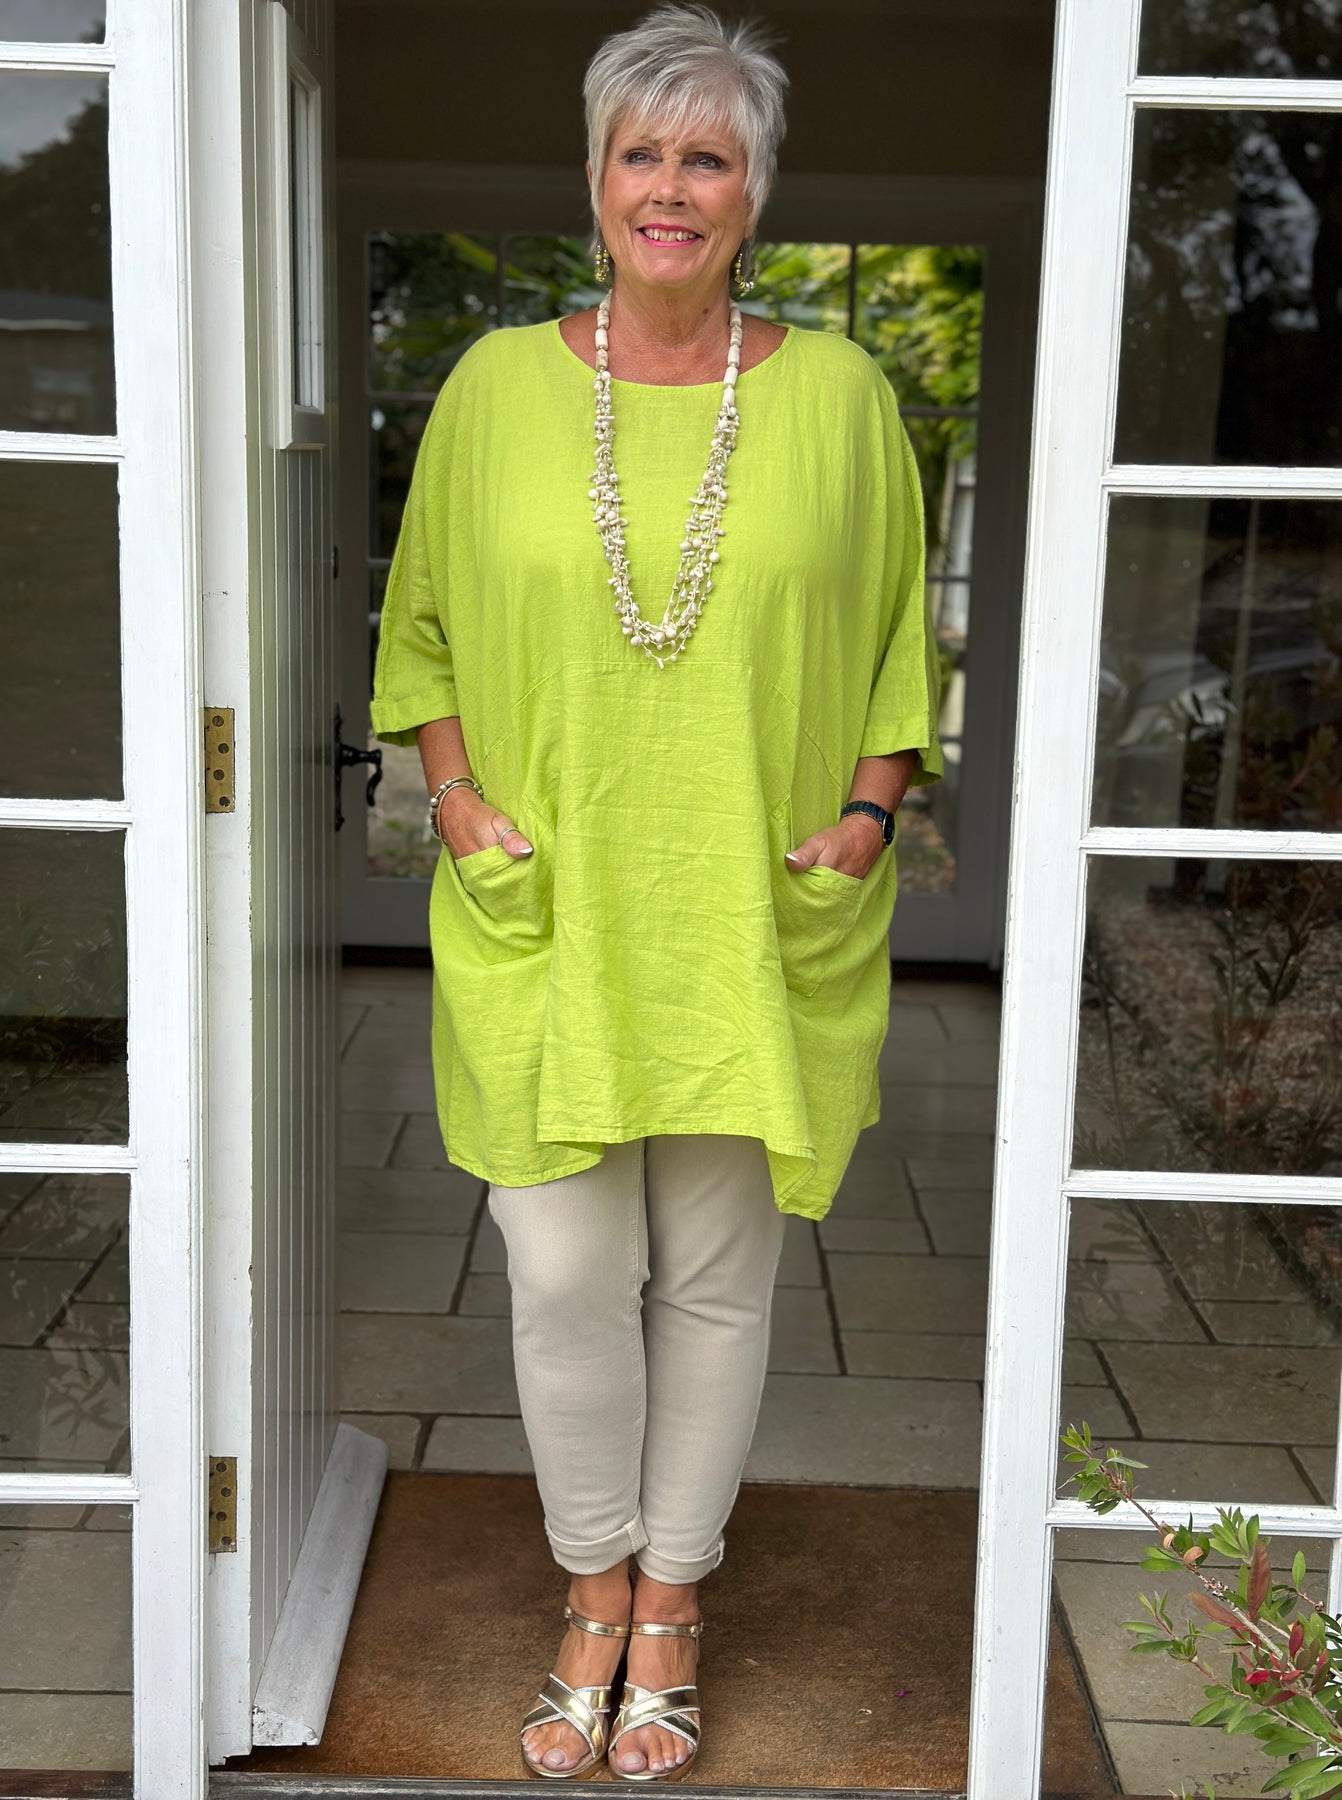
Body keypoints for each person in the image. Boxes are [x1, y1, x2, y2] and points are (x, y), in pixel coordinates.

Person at [370, 3, 942, 1780]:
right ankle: (587, 1578)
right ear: (594, 177)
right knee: (562, 1273)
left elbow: (895, 646)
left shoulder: (841, 399)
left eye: (708, 156)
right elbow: (420, 620)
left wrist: (865, 818)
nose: (670, 188)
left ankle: (668, 1602)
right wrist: (454, 797)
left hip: (749, 909)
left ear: (754, 190)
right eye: (642, 153)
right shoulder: (492, 387)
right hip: (547, 905)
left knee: (712, 1279)